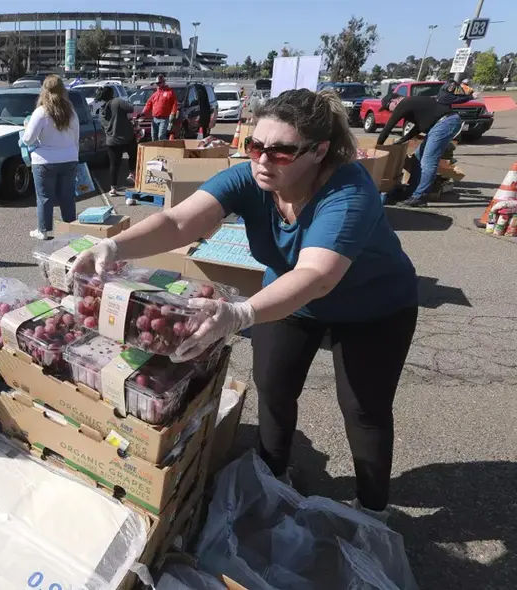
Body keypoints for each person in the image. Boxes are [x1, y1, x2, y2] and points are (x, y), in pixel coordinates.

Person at [72, 89, 418, 522]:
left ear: (319, 151)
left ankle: (372, 508)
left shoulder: (349, 191)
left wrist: (239, 314)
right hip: (287, 299)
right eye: (255, 146)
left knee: (364, 408)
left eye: (281, 152)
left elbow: (316, 275)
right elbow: (180, 221)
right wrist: (116, 245)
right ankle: (274, 478)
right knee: (274, 388)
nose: (262, 161)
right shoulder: (251, 179)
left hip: (374, 306)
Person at [377, 95, 463, 208]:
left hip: (445, 123)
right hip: (441, 124)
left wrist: (378, 147)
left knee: (428, 161)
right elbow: (418, 127)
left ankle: (419, 197)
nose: (389, 111)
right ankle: (411, 191)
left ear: (394, 101)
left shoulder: (404, 103)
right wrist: (403, 139)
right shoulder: (413, 104)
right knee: (417, 157)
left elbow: (388, 126)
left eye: (388, 107)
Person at [22, 74, 80, 240]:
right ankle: (70, 229)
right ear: (63, 90)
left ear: (44, 91)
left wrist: (26, 127)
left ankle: (44, 231)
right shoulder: (72, 112)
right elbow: (76, 138)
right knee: (67, 197)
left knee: (45, 198)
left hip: (44, 161)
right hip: (69, 158)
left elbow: (28, 139)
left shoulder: (41, 112)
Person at [95, 86, 138, 204]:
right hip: (127, 137)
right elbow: (131, 108)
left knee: (114, 165)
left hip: (112, 141)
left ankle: (113, 188)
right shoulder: (117, 102)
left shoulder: (101, 111)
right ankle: (131, 173)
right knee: (133, 154)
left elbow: (104, 126)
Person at [141, 75, 178, 141]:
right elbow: (148, 104)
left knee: (161, 136)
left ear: (163, 82)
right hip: (155, 118)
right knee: (154, 136)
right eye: (157, 83)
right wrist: (143, 112)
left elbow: (174, 104)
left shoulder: (170, 92)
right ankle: (155, 150)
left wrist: (172, 114)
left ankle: (162, 149)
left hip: (164, 118)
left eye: (159, 83)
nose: (158, 85)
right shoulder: (155, 94)